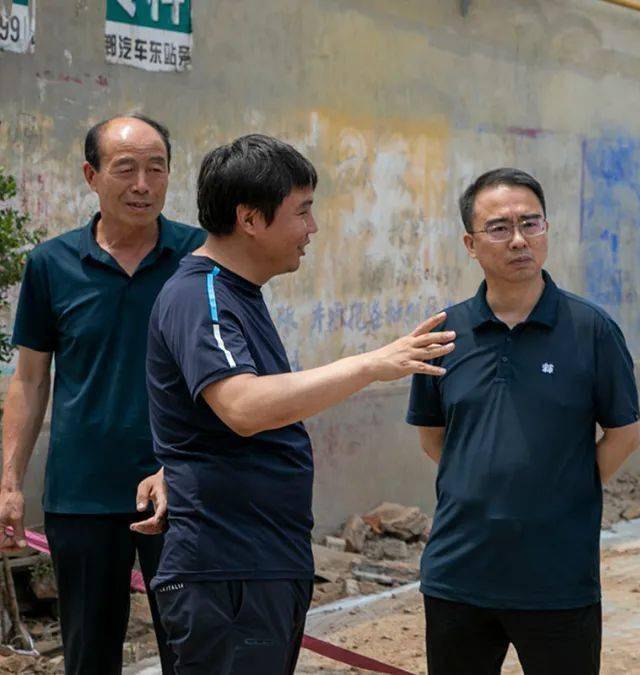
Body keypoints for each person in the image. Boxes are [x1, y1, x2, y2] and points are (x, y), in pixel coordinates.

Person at [145, 134, 454, 673]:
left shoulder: (238, 293)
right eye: (302, 212)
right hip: (229, 572)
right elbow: (242, 406)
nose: (312, 229)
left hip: (255, 565)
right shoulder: (204, 295)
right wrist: (370, 364)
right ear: (249, 218)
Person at [407, 167, 640, 675]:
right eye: (499, 228)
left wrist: (564, 485)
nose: (518, 239)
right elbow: (432, 435)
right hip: (458, 574)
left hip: (558, 579)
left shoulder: (591, 330)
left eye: (530, 224)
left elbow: (623, 433)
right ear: (470, 243)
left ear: (546, 231)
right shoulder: (443, 334)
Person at [1, 114, 204, 675]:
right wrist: (9, 482)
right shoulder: (51, 264)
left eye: (156, 169)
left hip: (181, 489)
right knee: (89, 654)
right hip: (82, 496)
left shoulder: (201, 259)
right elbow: (30, 378)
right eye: (126, 169)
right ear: (91, 175)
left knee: (193, 649)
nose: (143, 184)